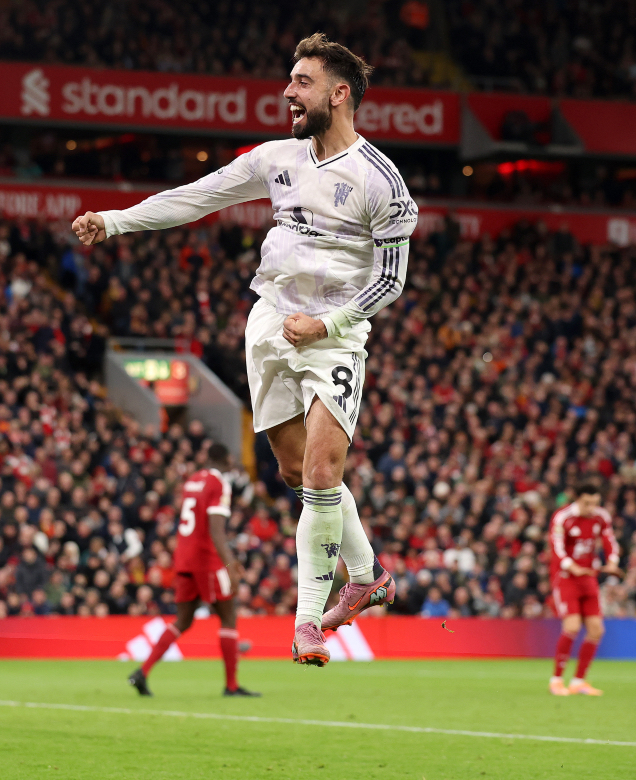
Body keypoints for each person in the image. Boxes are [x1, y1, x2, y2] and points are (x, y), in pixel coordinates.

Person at [74, 33, 415, 666]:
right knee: (293, 473)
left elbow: (391, 281)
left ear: (340, 94)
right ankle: (368, 577)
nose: (288, 92)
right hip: (269, 325)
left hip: (334, 336)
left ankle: (308, 622)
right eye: (290, 80)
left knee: (322, 473)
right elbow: (196, 197)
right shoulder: (275, 158)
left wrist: (328, 324)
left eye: (303, 82)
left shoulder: (381, 181)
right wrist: (114, 220)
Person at [128, 444, 259, 697]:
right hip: (206, 560)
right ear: (226, 460)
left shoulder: (193, 480)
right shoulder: (219, 483)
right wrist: (230, 566)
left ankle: (142, 672)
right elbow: (216, 530)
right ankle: (231, 686)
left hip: (184, 558)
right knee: (228, 616)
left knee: (183, 620)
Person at [548, 483, 621, 696]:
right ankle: (556, 680)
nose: (591, 508)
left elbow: (609, 540)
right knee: (572, 626)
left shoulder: (601, 516)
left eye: (595, 503)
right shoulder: (562, 517)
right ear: (577, 499)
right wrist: (572, 567)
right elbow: (556, 548)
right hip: (566, 578)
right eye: (587, 503)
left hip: (588, 577)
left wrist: (612, 562)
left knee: (596, 630)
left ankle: (578, 681)